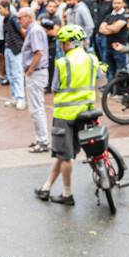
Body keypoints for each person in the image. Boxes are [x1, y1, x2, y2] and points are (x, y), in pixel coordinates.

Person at [35, 25, 105, 206]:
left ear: (69, 43)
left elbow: (55, 87)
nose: (60, 45)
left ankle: (67, 194)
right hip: (86, 112)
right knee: (63, 153)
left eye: (62, 42)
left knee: (65, 156)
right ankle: (46, 187)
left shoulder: (62, 62)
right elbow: (99, 76)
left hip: (65, 114)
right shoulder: (92, 59)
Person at [18, 7, 51, 154]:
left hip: (36, 73)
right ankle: (40, 138)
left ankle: (43, 140)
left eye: (21, 18)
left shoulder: (35, 30)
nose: (19, 21)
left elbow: (38, 52)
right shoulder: (34, 30)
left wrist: (30, 69)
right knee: (35, 108)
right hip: (36, 72)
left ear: (28, 17)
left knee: (36, 108)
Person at [0, 0, 26, 109]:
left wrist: (26, 44)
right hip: (8, 48)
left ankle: (21, 99)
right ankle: (14, 97)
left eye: (0, 8)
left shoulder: (13, 18)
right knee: (10, 74)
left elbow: (21, 31)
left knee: (17, 74)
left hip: (16, 48)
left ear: (6, 8)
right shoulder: (5, 19)